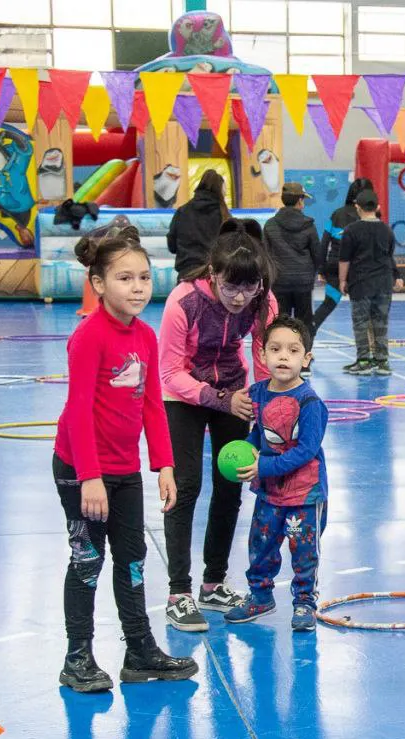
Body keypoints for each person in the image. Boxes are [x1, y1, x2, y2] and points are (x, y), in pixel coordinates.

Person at [53, 225, 197, 692]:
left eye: (144, 278)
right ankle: (78, 659)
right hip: (81, 470)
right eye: (124, 279)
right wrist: (90, 478)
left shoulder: (145, 336)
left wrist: (165, 465)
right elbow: (77, 412)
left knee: (133, 559)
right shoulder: (89, 336)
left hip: (123, 470)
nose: (137, 288)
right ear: (98, 284)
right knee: (87, 560)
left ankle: (139, 650)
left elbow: (152, 404)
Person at [158, 219, 278, 632]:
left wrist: (266, 410)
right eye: (231, 287)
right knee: (185, 487)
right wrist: (221, 399)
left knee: (231, 485)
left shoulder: (264, 302)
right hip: (184, 395)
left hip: (233, 391)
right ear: (213, 274)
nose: (241, 298)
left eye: (250, 288)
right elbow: (170, 372)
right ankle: (179, 592)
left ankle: (213, 583)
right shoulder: (183, 302)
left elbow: (264, 365)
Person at [225, 316, 329, 631]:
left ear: (306, 358)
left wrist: (264, 466)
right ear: (263, 355)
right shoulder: (257, 393)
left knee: (303, 551)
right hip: (269, 493)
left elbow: (306, 450)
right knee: (260, 545)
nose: (283, 356)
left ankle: (304, 602)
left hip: (304, 495)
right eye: (276, 349)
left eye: (293, 350)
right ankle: (260, 595)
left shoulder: (310, 402)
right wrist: (244, 453)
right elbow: (258, 435)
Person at [339, 189, 403, 377]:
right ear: (377, 207)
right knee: (381, 322)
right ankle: (382, 361)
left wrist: (342, 280)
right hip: (383, 283)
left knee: (361, 323)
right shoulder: (387, 230)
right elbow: (389, 256)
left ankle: (364, 360)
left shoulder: (351, 230)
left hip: (360, 284)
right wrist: (396, 275)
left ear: (357, 207)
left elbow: (345, 259)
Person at [313, 177, 372, 339]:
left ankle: (306, 339)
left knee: (326, 306)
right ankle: (367, 355)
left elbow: (323, 244)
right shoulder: (370, 217)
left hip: (335, 268)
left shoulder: (336, 214)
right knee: (363, 312)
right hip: (359, 272)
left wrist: (321, 269)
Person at [262, 181, 323, 335]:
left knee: (280, 323)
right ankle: (303, 355)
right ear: (299, 201)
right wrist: (312, 273)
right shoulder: (309, 225)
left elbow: (265, 255)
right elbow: (317, 254)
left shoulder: (270, 225)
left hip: (279, 281)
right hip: (303, 282)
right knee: (304, 323)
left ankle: (283, 356)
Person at [167, 169, 230, 281]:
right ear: (220, 191)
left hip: (186, 276)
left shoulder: (182, 211)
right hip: (212, 278)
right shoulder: (224, 215)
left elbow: (171, 246)